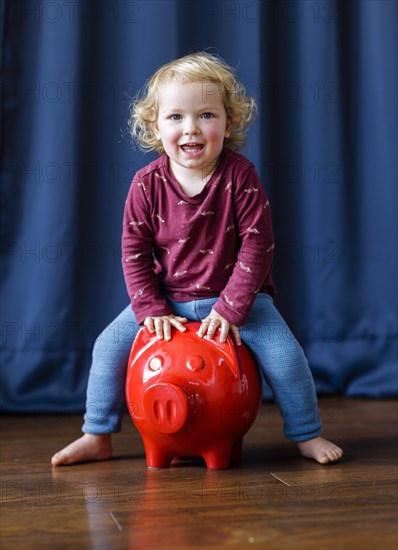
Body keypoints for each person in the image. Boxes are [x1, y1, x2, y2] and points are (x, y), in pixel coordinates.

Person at [51, 52, 343, 467]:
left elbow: (258, 245)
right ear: (155, 126)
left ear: (228, 123)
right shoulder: (146, 184)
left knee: (286, 356)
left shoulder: (239, 176)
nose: (190, 128)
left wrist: (232, 308)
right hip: (169, 298)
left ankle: (306, 433)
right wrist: (149, 307)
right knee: (107, 347)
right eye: (175, 117)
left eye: (206, 115)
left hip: (240, 300)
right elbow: (133, 252)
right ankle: (96, 432)